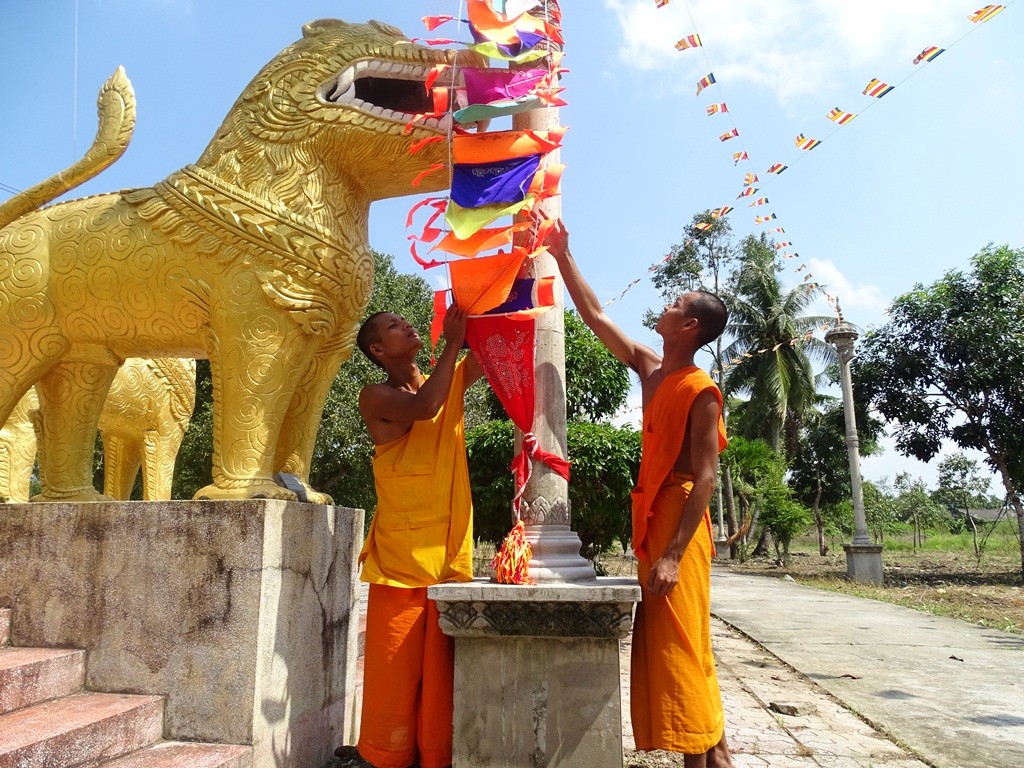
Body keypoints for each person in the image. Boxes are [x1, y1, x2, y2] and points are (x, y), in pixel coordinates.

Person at [547, 219, 734, 768]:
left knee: (681, 641)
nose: (666, 306)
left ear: (690, 326)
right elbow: (597, 317)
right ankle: (709, 752)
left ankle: (708, 756)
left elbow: (704, 477)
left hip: (679, 520)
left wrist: (675, 553)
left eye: (676, 304)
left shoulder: (702, 391)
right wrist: (563, 255)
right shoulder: (651, 369)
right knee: (668, 642)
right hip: (652, 516)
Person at [352, 304, 483, 768]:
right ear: (378, 349)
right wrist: (452, 342)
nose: (406, 325)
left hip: (446, 553)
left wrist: (490, 302)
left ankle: (435, 758)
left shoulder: (440, 378)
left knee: (441, 678)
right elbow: (426, 409)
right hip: (401, 561)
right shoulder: (375, 396)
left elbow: (483, 358)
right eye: (393, 326)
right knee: (396, 678)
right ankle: (387, 758)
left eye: (404, 321)